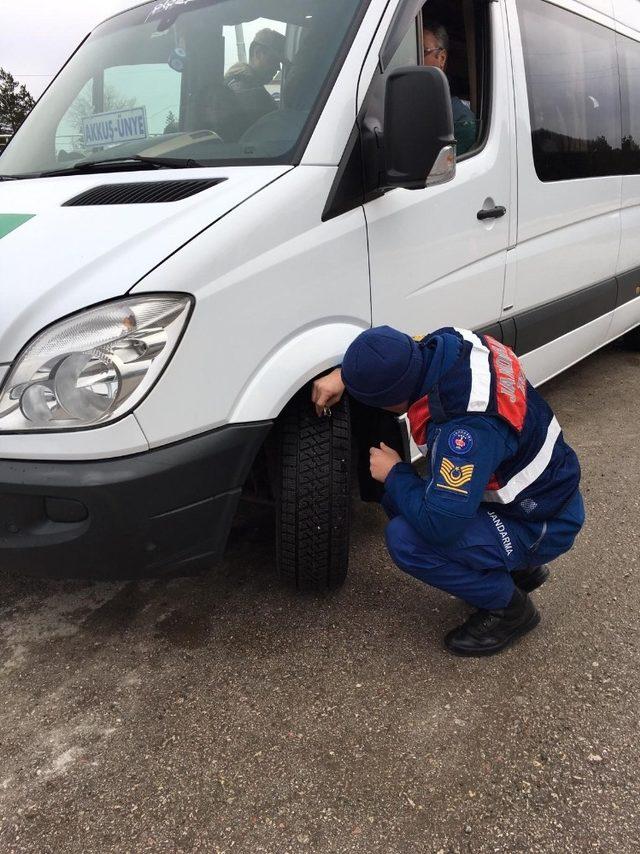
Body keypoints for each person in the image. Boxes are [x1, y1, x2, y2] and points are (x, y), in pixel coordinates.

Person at [311, 326, 585, 657]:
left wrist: (395, 473)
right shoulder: (453, 341)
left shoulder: (466, 432)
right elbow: (398, 348)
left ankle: (511, 609)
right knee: (416, 499)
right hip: (541, 490)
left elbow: (441, 524)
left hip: (542, 521)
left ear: (390, 399)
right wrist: (346, 375)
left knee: (407, 538)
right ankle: (519, 569)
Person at [422, 20, 477, 156]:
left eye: (422, 51)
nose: (411, 58)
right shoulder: (398, 103)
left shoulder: (461, 121)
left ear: (441, 58)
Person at [224, 28, 286, 135]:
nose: (278, 68)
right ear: (258, 53)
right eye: (274, 60)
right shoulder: (250, 90)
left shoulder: (237, 81)